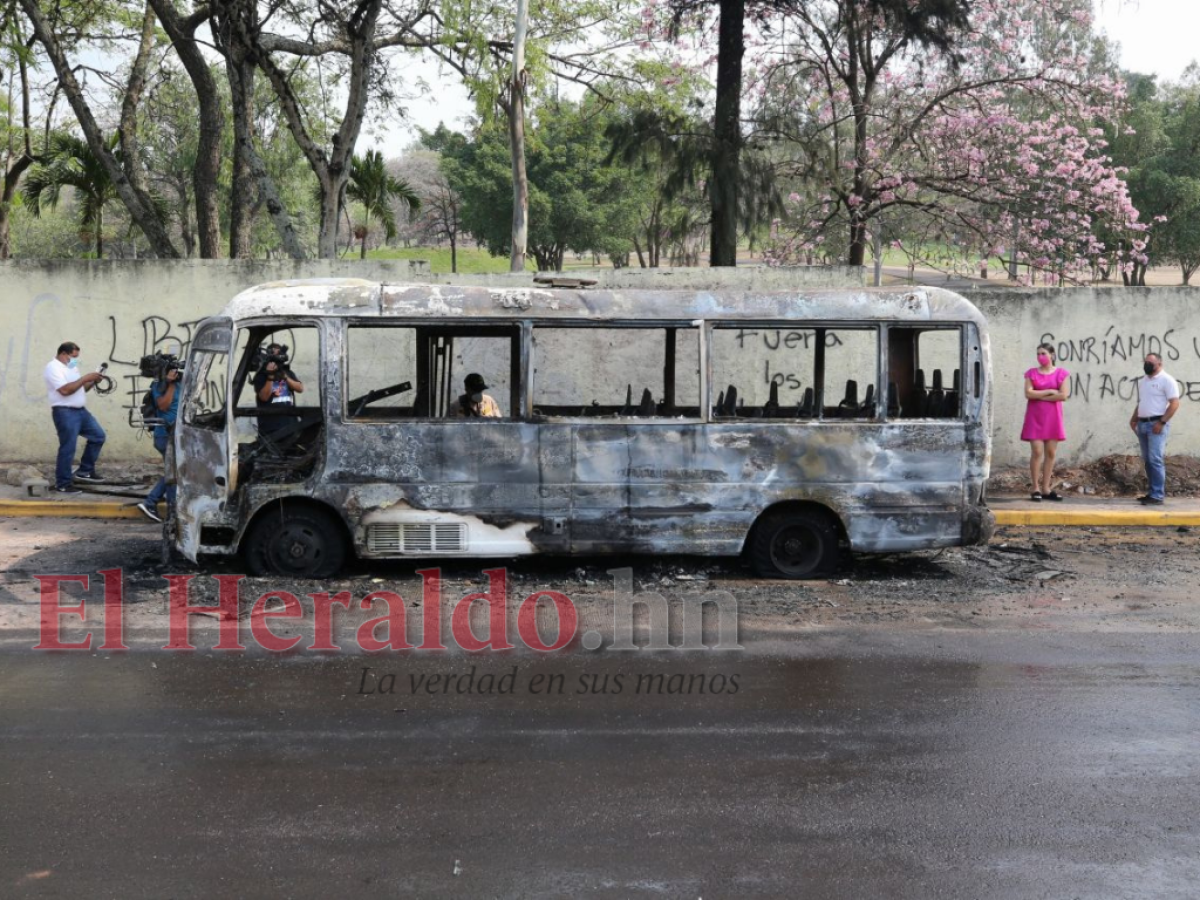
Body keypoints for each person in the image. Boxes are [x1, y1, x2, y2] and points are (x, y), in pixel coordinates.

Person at [43, 341, 107, 494]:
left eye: (77, 357)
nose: (75, 360)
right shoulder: (52, 367)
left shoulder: (71, 366)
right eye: (73, 357)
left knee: (98, 436)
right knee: (68, 448)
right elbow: (65, 390)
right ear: (63, 354)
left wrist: (92, 381)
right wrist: (85, 378)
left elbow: (81, 388)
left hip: (80, 411)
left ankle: (85, 471)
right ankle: (63, 483)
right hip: (65, 412)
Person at [1020, 342, 1070, 501]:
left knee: (1050, 453)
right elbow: (1028, 394)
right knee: (1037, 451)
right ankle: (1035, 487)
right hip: (1035, 417)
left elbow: (1063, 395)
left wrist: (1038, 395)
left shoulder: (1062, 373)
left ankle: (1046, 488)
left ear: (1052, 355)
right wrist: (1049, 392)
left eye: (1043, 353)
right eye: (1038, 354)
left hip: (1053, 418)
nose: (1040, 356)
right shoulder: (1031, 373)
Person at [1129, 352, 1180, 505]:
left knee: (1155, 459)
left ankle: (1157, 495)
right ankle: (1152, 492)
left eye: (1150, 362)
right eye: (1145, 362)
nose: (1146, 365)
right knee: (1148, 460)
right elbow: (1142, 402)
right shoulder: (1144, 380)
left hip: (1156, 425)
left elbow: (1174, 404)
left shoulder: (1167, 380)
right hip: (1143, 424)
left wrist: (1162, 422)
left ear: (1159, 364)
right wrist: (1134, 419)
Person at [136, 366, 181, 523]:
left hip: (177, 434)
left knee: (175, 471)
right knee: (173, 472)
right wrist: (170, 384)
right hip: (165, 435)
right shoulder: (159, 386)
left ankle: (170, 508)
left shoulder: (180, 384)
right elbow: (163, 405)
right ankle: (152, 503)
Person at [253, 343, 304, 438]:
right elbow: (264, 397)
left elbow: (300, 388)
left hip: (291, 425)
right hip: (270, 428)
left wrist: (285, 377)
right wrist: (270, 377)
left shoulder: (287, 372)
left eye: (278, 355)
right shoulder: (261, 375)